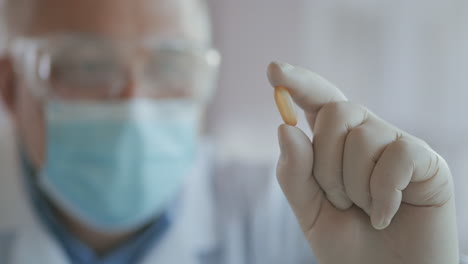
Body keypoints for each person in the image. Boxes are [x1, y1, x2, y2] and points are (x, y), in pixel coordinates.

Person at [0, 0, 463, 263]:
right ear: (10, 86)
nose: (135, 103)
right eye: (85, 66)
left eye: (171, 65)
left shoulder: (292, 221)